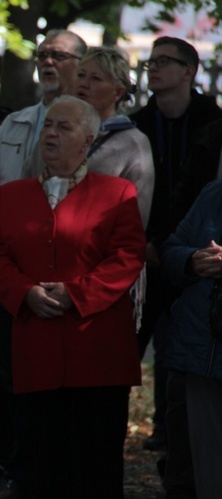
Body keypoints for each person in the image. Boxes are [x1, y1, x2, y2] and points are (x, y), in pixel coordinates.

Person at [0, 95, 145, 498]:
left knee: (96, 464)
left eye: (64, 127)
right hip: (36, 347)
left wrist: (77, 294)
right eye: (48, 125)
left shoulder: (117, 192)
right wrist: (25, 293)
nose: (51, 133)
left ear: (87, 139)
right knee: (41, 463)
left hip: (97, 350)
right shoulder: (11, 195)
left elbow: (128, 256)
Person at [0, 29, 87, 493]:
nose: (47, 61)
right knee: (5, 374)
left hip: (66, 277)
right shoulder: (18, 120)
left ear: (80, 65)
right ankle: (10, 463)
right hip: (9, 268)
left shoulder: (93, 124)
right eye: (42, 54)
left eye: (58, 55)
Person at [130, 40, 222, 482]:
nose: (154, 69)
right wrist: (147, 241)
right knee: (134, 346)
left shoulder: (213, 123)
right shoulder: (138, 125)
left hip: (192, 254)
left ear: (190, 70)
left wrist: (173, 246)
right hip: (145, 252)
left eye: (164, 62)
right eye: (150, 62)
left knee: (179, 351)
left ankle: (173, 441)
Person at [25, 46, 155, 228]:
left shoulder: (132, 143)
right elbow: (28, 184)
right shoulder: (53, 130)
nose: (84, 84)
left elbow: (136, 218)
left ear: (118, 92)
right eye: (81, 75)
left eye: (95, 78)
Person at [162, 179, 222, 499]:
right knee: (200, 475)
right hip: (199, 355)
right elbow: (171, 249)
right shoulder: (213, 193)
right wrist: (192, 259)